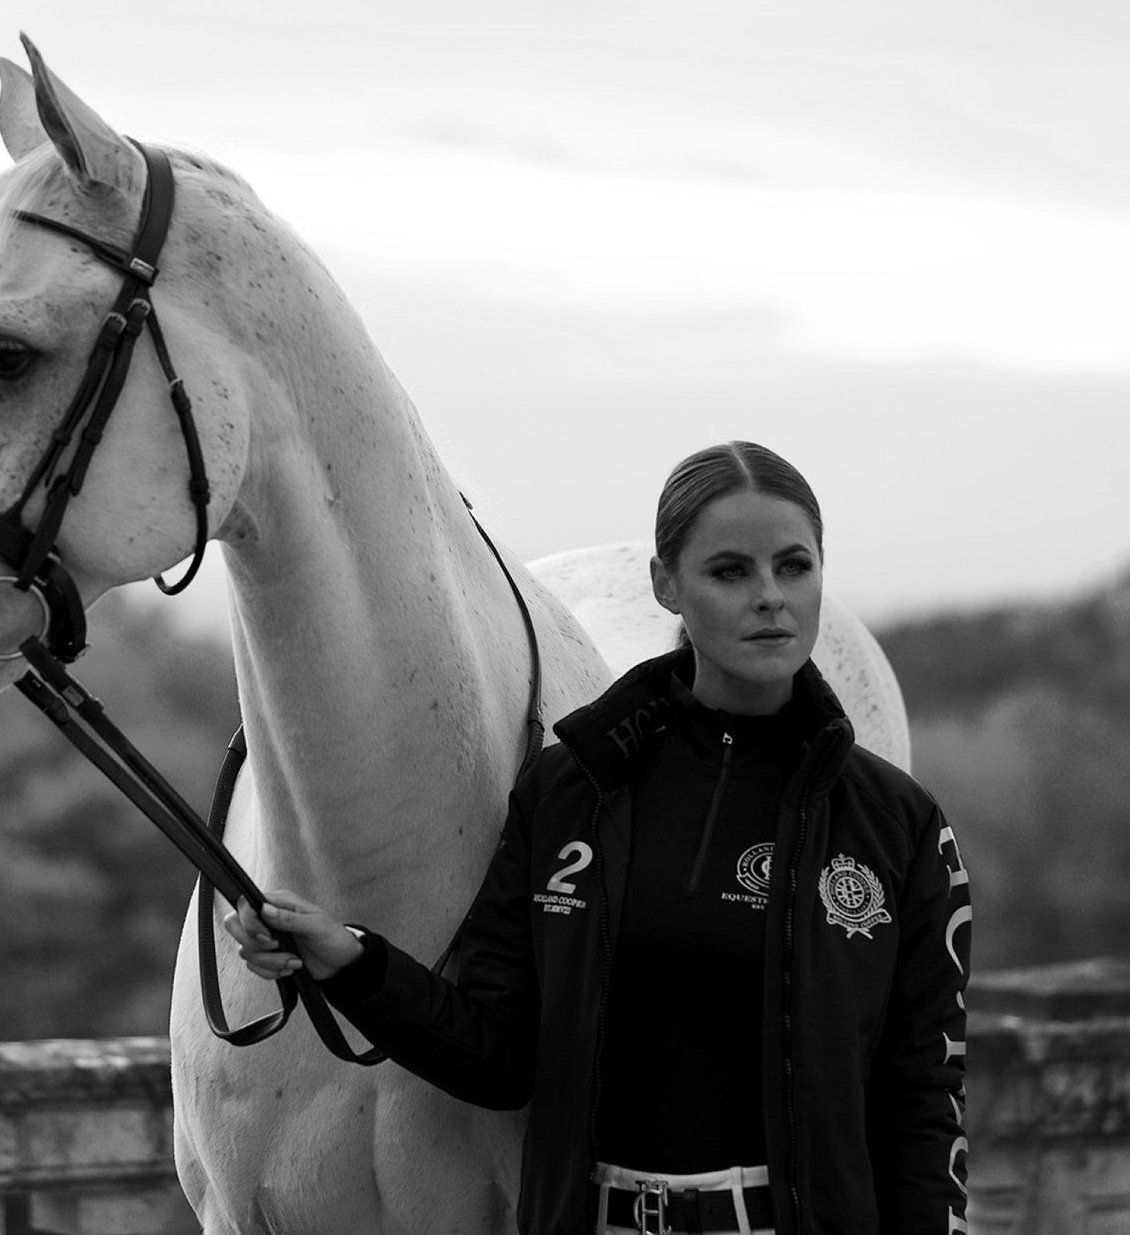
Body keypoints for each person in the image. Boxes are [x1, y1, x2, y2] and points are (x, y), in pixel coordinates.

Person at [226, 441, 973, 1235]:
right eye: (730, 571)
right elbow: (498, 1053)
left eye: (794, 567)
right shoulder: (571, 791)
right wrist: (353, 963)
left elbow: (925, 1103)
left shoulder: (898, 824)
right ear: (666, 585)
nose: (771, 598)